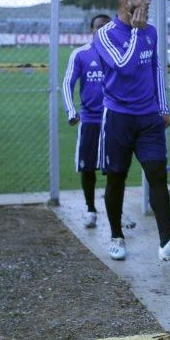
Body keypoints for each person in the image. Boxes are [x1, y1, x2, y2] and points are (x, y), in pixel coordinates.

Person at [93, 0, 170, 262]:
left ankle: (166, 243)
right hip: (118, 118)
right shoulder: (105, 34)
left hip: (149, 119)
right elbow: (123, 67)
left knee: (158, 177)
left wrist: (163, 108)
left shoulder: (151, 32)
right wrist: (136, 34)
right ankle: (116, 236)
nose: (148, 2)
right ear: (127, 2)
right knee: (116, 178)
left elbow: (156, 70)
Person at [61, 14, 110, 228]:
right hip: (90, 119)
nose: (102, 30)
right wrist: (72, 111)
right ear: (91, 30)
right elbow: (67, 83)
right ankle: (91, 209)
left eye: (106, 27)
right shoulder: (80, 54)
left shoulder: (119, 54)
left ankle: (113, 211)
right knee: (87, 167)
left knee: (115, 169)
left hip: (115, 120)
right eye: (98, 27)